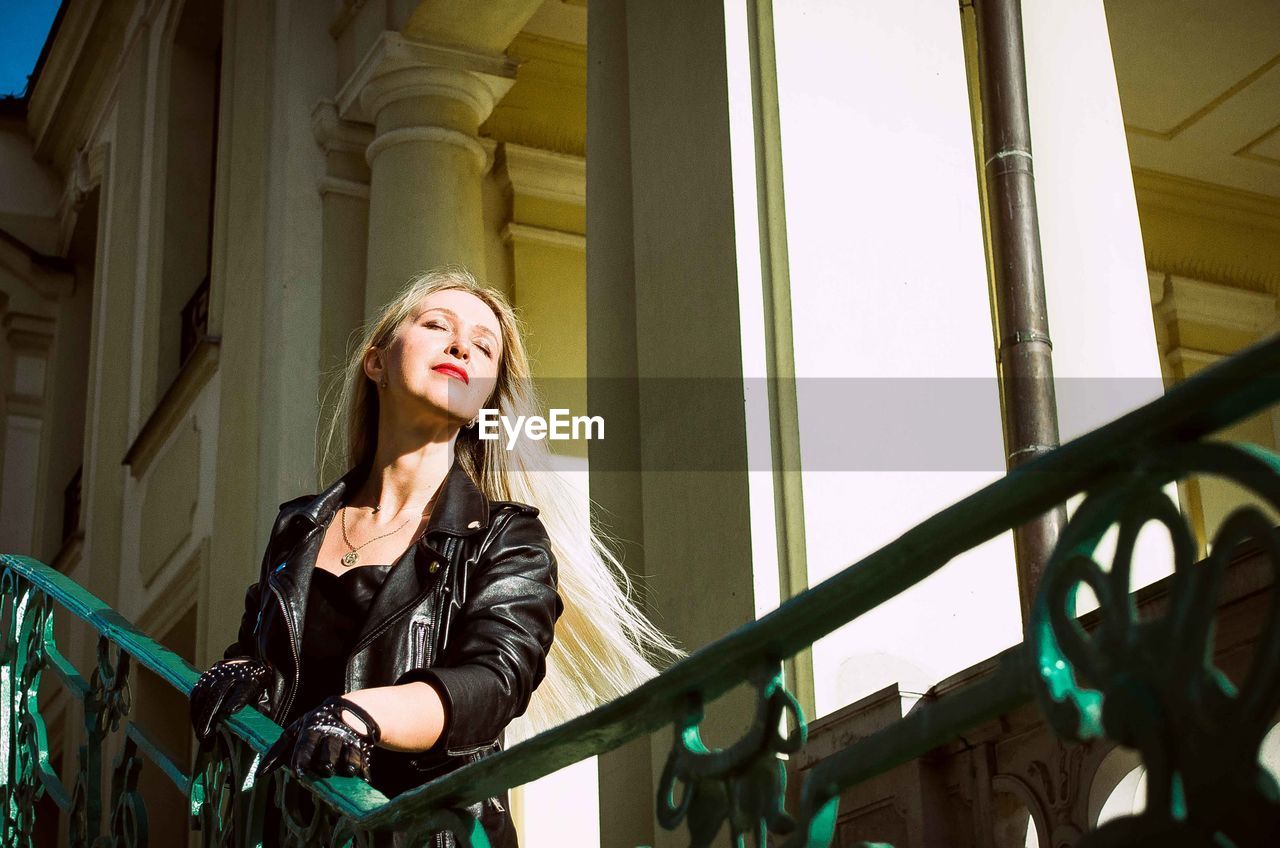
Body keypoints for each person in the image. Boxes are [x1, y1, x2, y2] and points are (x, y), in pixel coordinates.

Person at [188, 267, 686, 847]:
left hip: (428, 836)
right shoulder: (298, 526)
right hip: (294, 830)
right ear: (375, 362)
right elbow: (267, 651)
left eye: (483, 346)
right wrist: (244, 669)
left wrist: (359, 715)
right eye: (437, 325)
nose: (461, 346)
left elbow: (493, 681)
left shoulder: (508, 539)